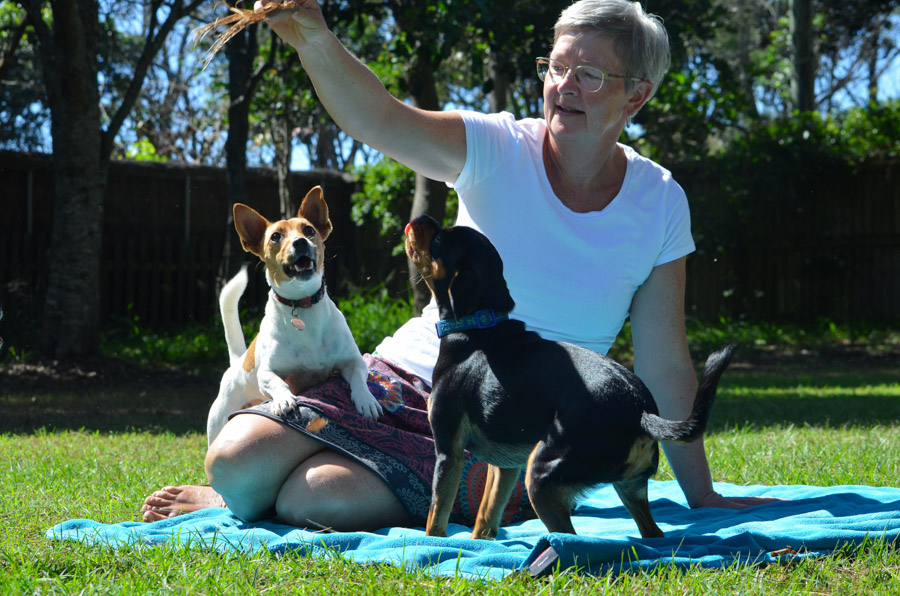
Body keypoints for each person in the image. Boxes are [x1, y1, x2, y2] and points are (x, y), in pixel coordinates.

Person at [143, 0, 774, 529]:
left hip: (519, 425)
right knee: (233, 461)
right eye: (556, 67)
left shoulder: (658, 201)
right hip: (400, 379)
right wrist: (315, 39)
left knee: (313, 498)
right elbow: (381, 118)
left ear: (637, 96)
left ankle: (281, 498)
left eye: (588, 74)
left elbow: (665, 361)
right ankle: (247, 495)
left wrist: (702, 494)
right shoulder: (498, 146)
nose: (563, 86)